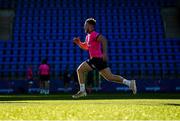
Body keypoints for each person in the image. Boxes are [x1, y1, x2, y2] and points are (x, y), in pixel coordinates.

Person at [72, 18, 137, 98]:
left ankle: (82, 91)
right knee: (110, 77)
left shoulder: (94, 34)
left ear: (90, 26)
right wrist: (79, 43)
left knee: (80, 70)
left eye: (85, 25)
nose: (84, 27)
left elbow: (104, 40)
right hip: (98, 60)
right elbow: (86, 47)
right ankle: (130, 83)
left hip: (96, 59)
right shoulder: (88, 36)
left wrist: (105, 53)